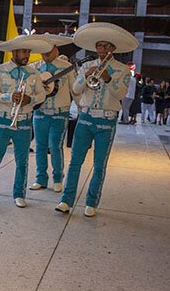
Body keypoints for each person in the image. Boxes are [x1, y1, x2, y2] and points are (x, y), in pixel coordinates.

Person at [56, 22, 138, 217]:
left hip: (106, 121)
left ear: (114, 49)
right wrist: (85, 77)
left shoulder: (123, 70)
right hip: (85, 118)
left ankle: (91, 202)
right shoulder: (87, 65)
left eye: (107, 46)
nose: (103, 49)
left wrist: (109, 79)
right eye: (100, 46)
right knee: (75, 161)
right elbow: (75, 90)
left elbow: (121, 95)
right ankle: (66, 200)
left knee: (99, 164)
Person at [0, 35, 51, 209]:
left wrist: (29, 99)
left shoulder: (34, 73)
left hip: (24, 123)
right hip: (3, 120)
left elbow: (42, 94)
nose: (27, 55)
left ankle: (19, 194)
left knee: (22, 161)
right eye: (24, 51)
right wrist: (10, 97)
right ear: (13, 51)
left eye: (29, 52)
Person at [29, 34, 76, 193]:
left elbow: (74, 89)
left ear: (56, 49)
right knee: (40, 146)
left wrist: (82, 107)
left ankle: (57, 178)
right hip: (40, 112)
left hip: (59, 113)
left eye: (48, 51)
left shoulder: (66, 66)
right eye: (43, 52)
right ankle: (40, 178)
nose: (45, 55)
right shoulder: (35, 67)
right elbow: (30, 89)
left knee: (55, 146)